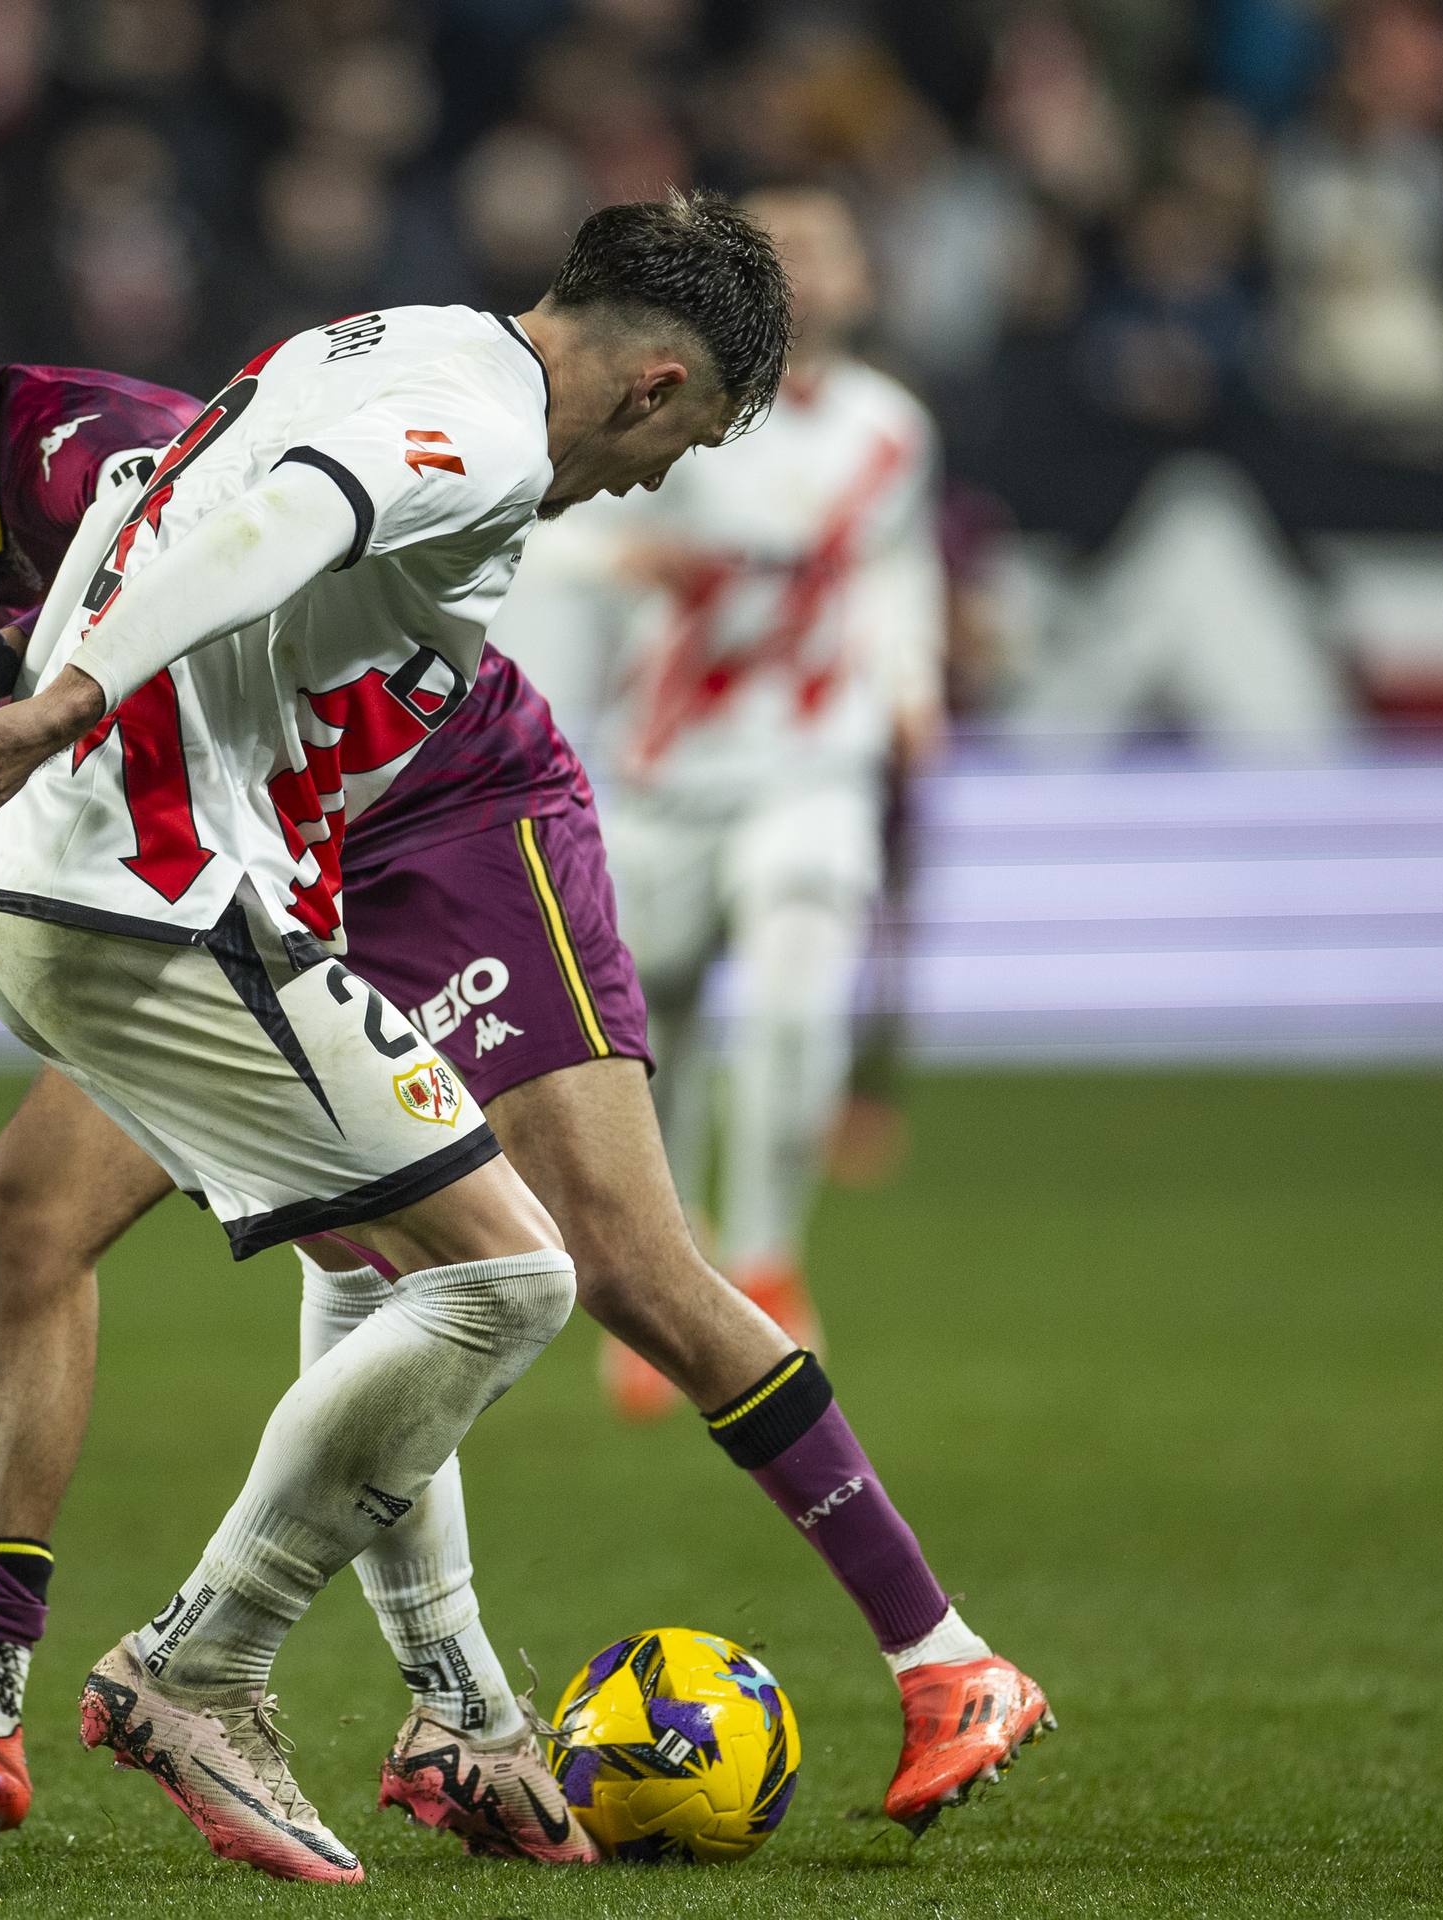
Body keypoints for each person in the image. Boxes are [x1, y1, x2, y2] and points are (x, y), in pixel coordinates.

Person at [0, 211, 1043, 1878]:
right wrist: (49, 713)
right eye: (684, 442)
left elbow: (161, 502)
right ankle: (211, 1677)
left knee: (479, 1248)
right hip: (280, 855)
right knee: (506, 1264)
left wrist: (39, 725)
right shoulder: (472, 428)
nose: (657, 478)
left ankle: (854, 1665)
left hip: (326, 833)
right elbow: (273, 524)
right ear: (664, 381)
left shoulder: (399, 341)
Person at [525, 189, 947, 1419]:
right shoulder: (667, 397)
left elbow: (893, 567)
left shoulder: (890, 429)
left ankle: (765, 1256)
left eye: (830, 249)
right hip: (665, 774)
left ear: (866, 278)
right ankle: (665, 1276)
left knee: (802, 999)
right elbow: (536, 528)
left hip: (814, 764)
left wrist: (912, 683)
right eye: (786, 254)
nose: (811, 274)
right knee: (655, 1041)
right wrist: (627, 561)